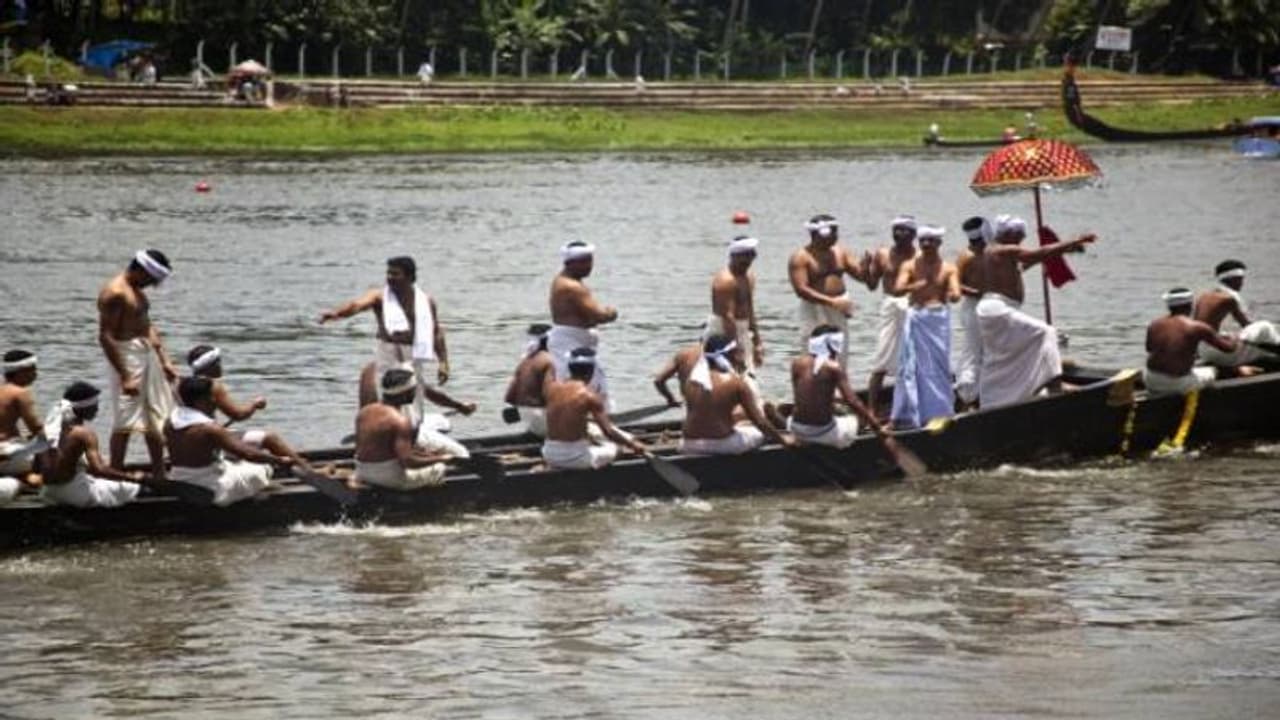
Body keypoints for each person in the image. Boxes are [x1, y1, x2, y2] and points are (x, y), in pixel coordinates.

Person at [977, 216, 1096, 408]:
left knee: (1006, 354)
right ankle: (1055, 384)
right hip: (998, 309)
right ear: (1009, 234)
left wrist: (1065, 249)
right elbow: (1036, 253)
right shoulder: (1000, 249)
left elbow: (1028, 262)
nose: (1022, 240)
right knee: (1046, 332)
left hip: (997, 309)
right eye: (1019, 236)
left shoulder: (1000, 254)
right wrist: (1074, 241)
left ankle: (998, 398)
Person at [319, 256, 451, 415]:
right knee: (388, 392)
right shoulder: (379, 297)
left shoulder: (426, 301)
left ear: (410, 277)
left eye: (395, 274)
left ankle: (412, 424)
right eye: (388, 273)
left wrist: (443, 362)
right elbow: (356, 306)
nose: (390, 277)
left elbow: (435, 331)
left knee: (414, 398)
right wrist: (337, 314)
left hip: (413, 351)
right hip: (388, 349)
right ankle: (385, 421)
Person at [98, 248, 178, 480]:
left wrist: (164, 360)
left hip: (145, 354)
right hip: (126, 358)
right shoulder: (115, 293)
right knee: (125, 419)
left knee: (155, 417)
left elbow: (146, 325)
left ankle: (159, 474)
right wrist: (125, 376)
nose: (152, 285)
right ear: (140, 270)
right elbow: (106, 337)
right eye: (151, 279)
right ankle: (114, 474)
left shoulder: (137, 292)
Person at [166, 377, 297, 506]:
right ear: (199, 401)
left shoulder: (170, 422)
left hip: (178, 478)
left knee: (237, 463)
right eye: (210, 397)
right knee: (263, 469)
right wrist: (278, 460)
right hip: (209, 486)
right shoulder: (210, 429)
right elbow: (249, 454)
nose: (214, 401)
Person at [186, 345, 309, 468]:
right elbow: (238, 415)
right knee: (269, 438)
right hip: (210, 440)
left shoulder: (184, 384)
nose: (221, 365)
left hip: (192, 438)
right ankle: (308, 470)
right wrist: (254, 404)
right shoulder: (213, 386)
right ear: (211, 365)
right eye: (218, 362)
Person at [891, 225, 961, 429]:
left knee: (936, 367)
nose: (926, 244)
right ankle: (907, 414)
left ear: (939, 243)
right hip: (917, 318)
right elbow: (897, 289)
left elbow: (956, 293)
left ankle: (939, 413)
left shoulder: (948, 268)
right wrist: (914, 286)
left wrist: (953, 294)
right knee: (910, 367)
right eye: (923, 240)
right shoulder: (910, 265)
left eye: (931, 240)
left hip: (937, 321)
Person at [680, 334, 793, 455]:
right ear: (727, 355)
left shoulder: (692, 380)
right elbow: (760, 422)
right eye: (734, 353)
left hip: (687, 444)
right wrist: (784, 441)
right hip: (720, 444)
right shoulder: (736, 383)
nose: (737, 357)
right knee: (760, 433)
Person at [787, 214, 872, 372]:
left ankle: (838, 384)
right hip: (815, 309)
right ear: (815, 235)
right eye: (831, 233)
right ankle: (811, 384)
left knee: (840, 352)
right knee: (813, 352)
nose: (834, 237)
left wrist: (866, 268)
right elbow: (801, 289)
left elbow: (861, 276)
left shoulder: (840, 252)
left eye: (835, 232)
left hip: (840, 307)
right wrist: (831, 302)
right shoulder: (800, 257)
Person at [40, 382, 145, 508]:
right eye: (95, 405)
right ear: (85, 408)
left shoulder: (48, 429)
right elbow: (98, 470)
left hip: (48, 493)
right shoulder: (84, 434)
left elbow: (37, 467)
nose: (97, 409)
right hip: (75, 494)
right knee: (135, 489)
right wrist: (134, 478)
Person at [541, 348, 646, 470]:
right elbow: (608, 431)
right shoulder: (589, 396)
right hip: (574, 458)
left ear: (570, 369)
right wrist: (633, 444)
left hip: (548, 454)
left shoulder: (552, 389)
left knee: (591, 433)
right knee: (617, 448)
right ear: (590, 372)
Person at [790, 326, 888, 449]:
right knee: (858, 421)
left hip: (797, 428)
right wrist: (877, 426)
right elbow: (852, 401)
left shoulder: (797, 363)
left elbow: (801, 396)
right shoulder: (833, 368)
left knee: (839, 412)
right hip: (822, 432)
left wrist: (835, 401)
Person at [350, 369, 450, 490]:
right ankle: (424, 498)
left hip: (362, 472)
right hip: (389, 478)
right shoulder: (400, 421)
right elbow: (407, 462)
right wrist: (441, 458)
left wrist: (424, 455)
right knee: (439, 468)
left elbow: (383, 448)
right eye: (413, 390)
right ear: (405, 393)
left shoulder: (365, 412)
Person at [548, 241, 618, 406]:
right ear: (570, 262)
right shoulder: (572, 287)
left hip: (575, 340)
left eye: (590, 260)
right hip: (569, 342)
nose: (589, 266)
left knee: (589, 384)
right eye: (584, 261)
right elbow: (599, 315)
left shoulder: (564, 280)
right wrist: (611, 312)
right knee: (577, 385)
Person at [864, 215, 918, 415]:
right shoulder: (883, 254)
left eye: (904, 230)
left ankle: (911, 405)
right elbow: (872, 285)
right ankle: (871, 409)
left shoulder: (920, 257)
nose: (899, 234)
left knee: (913, 359)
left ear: (913, 234)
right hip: (889, 308)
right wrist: (865, 269)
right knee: (881, 358)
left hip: (912, 307)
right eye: (896, 229)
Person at [1144, 289, 1242, 397]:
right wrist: (1235, 338)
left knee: (1195, 368)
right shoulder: (1196, 327)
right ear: (1190, 306)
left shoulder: (1154, 324)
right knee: (1213, 371)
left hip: (1150, 380)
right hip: (1177, 384)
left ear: (1169, 306)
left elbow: (1149, 348)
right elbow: (1229, 349)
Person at [1193, 260, 1280, 368]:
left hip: (1204, 352)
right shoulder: (1231, 296)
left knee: (1262, 342)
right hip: (1222, 351)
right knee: (1265, 326)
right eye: (1240, 279)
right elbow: (1246, 325)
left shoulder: (1204, 296)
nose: (1242, 283)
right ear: (1232, 279)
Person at [709, 235, 764, 374]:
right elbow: (728, 317)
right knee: (727, 373)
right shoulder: (725, 281)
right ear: (734, 256)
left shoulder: (748, 276)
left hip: (743, 329)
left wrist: (757, 342)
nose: (749, 260)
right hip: (723, 331)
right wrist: (734, 347)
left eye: (752, 255)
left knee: (748, 374)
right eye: (745, 256)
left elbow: (750, 309)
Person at [954, 216, 991, 409]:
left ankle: (982, 393)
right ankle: (965, 393)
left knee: (987, 352)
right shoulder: (966, 256)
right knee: (973, 352)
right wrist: (976, 292)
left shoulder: (990, 253)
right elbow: (955, 284)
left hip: (990, 306)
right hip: (973, 308)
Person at [0, 350, 45, 502]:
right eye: (33, 369)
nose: (36, 374)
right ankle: (26, 479)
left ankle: (20, 476)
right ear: (21, 371)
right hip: (6, 455)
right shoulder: (20, 392)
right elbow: (37, 428)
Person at [504, 323, 554, 437]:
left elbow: (509, 397)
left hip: (529, 421)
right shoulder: (550, 360)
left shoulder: (524, 361)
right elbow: (550, 394)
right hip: (546, 422)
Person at [653, 341, 703, 408]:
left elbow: (658, 381)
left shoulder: (682, 354)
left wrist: (671, 400)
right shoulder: (716, 354)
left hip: (690, 400)